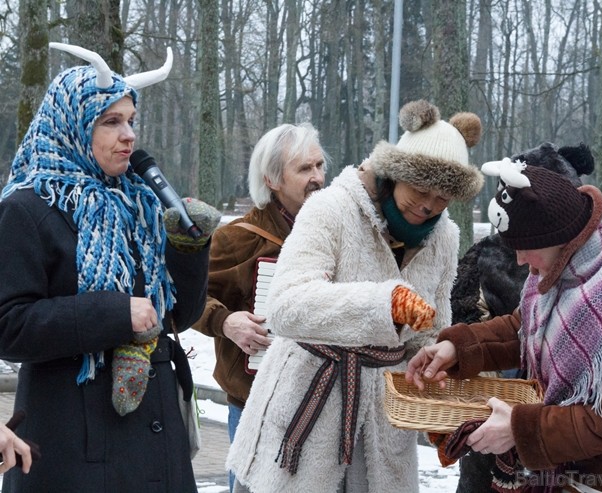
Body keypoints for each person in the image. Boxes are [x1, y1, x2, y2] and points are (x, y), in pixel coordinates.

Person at [406, 160, 602, 492]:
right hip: (585, 472)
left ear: (557, 235)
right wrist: (459, 347)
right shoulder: (573, 259)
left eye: (525, 248)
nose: (521, 261)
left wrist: (520, 430)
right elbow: (527, 328)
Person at [225, 99, 484, 493]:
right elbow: (285, 305)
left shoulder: (444, 236)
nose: (429, 205)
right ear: (396, 173)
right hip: (305, 410)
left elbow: (429, 331)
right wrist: (384, 304)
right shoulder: (331, 208)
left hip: (383, 427)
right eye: (420, 189)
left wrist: (438, 399)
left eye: (444, 197)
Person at [0, 43, 220, 492]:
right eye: (111, 121)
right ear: (73, 126)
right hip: (76, 453)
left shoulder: (141, 205)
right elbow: (9, 327)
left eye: (132, 122)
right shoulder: (26, 209)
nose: (129, 136)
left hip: (158, 450)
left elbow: (177, 316)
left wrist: (187, 249)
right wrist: (115, 314)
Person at [449, 142, 594, 493]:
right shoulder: (490, 254)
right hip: (500, 406)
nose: (521, 262)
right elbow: (520, 324)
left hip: (569, 438)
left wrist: (523, 424)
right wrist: (460, 348)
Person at [192, 122, 327, 491]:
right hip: (256, 405)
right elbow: (187, 298)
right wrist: (226, 321)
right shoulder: (237, 239)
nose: (317, 177)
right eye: (304, 169)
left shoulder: (338, 233)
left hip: (324, 406)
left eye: (319, 166)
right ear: (272, 180)